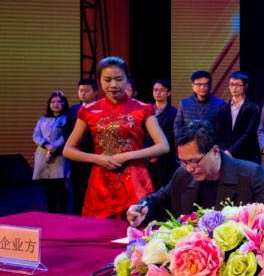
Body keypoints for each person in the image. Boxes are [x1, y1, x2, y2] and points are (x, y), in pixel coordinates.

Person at [63, 56, 170, 218]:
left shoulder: (143, 108)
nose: (113, 85)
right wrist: (97, 158)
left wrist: (127, 155)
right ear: (99, 81)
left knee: (136, 228)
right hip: (101, 182)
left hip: (135, 181)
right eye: (107, 80)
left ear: (127, 79)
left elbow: (163, 146)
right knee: (100, 230)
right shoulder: (88, 111)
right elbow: (68, 150)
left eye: (119, 79)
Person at [127, 120, 264, 227]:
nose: (189, 168)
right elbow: (158, 200)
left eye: (193, 161)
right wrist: (142, 208)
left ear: (214, 151)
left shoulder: (251, 175)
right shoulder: (182, 175)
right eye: (183, 161)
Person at [65, 78, 98, 215]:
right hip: (76, 156)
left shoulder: (101, 109)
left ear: (95, 92)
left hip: (95, 155)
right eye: (80, 90)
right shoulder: (74, 110)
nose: (83, 93)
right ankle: (78, 214)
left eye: (86, 91)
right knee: (77, 189)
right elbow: (67, 131)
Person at [32, 91, 70, 213]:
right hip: (43, 154)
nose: (56, 104)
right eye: (53, 102)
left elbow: (66, 136)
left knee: (61, 187)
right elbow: (36, 135)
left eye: (59, 102)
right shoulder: (43, 119)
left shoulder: (67, 119)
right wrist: (46, 145)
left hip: (59, 156)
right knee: (48, 189)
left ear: (64, 104)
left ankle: (63, 214)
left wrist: (54, 147)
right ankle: (51, 214)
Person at [217, 71, 261, 163]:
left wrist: (231, 151)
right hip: (225, 156)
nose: (234, 88)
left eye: (238, 85)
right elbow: (220, 133)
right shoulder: (223, 108)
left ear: (245, 86)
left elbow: (248, 135)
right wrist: (224, 151)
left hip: (245, 156)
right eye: (231, 84)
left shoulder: (253, 109)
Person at [174, 70, 227, 139]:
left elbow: (223, 129)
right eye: (199, 84)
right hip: (188, 143)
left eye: (206, 84)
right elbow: (178, 125)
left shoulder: (220, 104)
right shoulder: (184, 103)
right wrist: (182, 141)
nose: (202, 87)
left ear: (210, 85)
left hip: (212, 144)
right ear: (193, 86)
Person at [146, 79, 178, 189]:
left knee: (165, 188)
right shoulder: (146, 111)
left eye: (162, 90)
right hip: (147, 158)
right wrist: (149, 154)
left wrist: (157, 153)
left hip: (166, 159)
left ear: (168, 93)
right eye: (155, 90)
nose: (158, 93)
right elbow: (143, 134)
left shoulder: (174, 113)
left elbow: (172, 135)